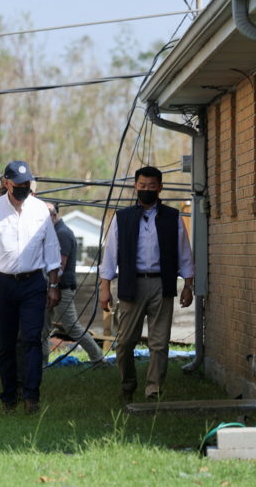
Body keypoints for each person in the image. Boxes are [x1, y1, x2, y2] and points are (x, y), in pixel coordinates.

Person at [99, 166, 194, 403]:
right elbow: (110, 255)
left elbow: (184, 254)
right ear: (135, 186)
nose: (147, 190)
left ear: (160, 188)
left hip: (162, 285)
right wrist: (104, 288)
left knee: (159, 343)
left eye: (152, 187)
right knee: (124, 343)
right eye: (142, 186)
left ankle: (154, 392)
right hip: (132, 285)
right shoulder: (123, 218)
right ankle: (127, 386)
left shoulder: (173, 218)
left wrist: (188, 285)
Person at [0, 161, 62, 414]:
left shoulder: (39, 210)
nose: (23, 188)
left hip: (33, 283)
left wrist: (54, 284)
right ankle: (8, 397)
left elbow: (51, 249)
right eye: (18, 184)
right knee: (6, 342)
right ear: (6, 183)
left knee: (32, 340)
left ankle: (31, 396)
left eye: (27, 184)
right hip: (2, 284)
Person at [42, 202, 105, 365]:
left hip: (61, 288)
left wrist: (53, 287)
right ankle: (41, 364)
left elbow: (60, 266)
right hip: (49, 287)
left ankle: (98, 357)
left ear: (53, 215)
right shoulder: (53, 232)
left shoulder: (62, 234)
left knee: (71, 326)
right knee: (43, 328)